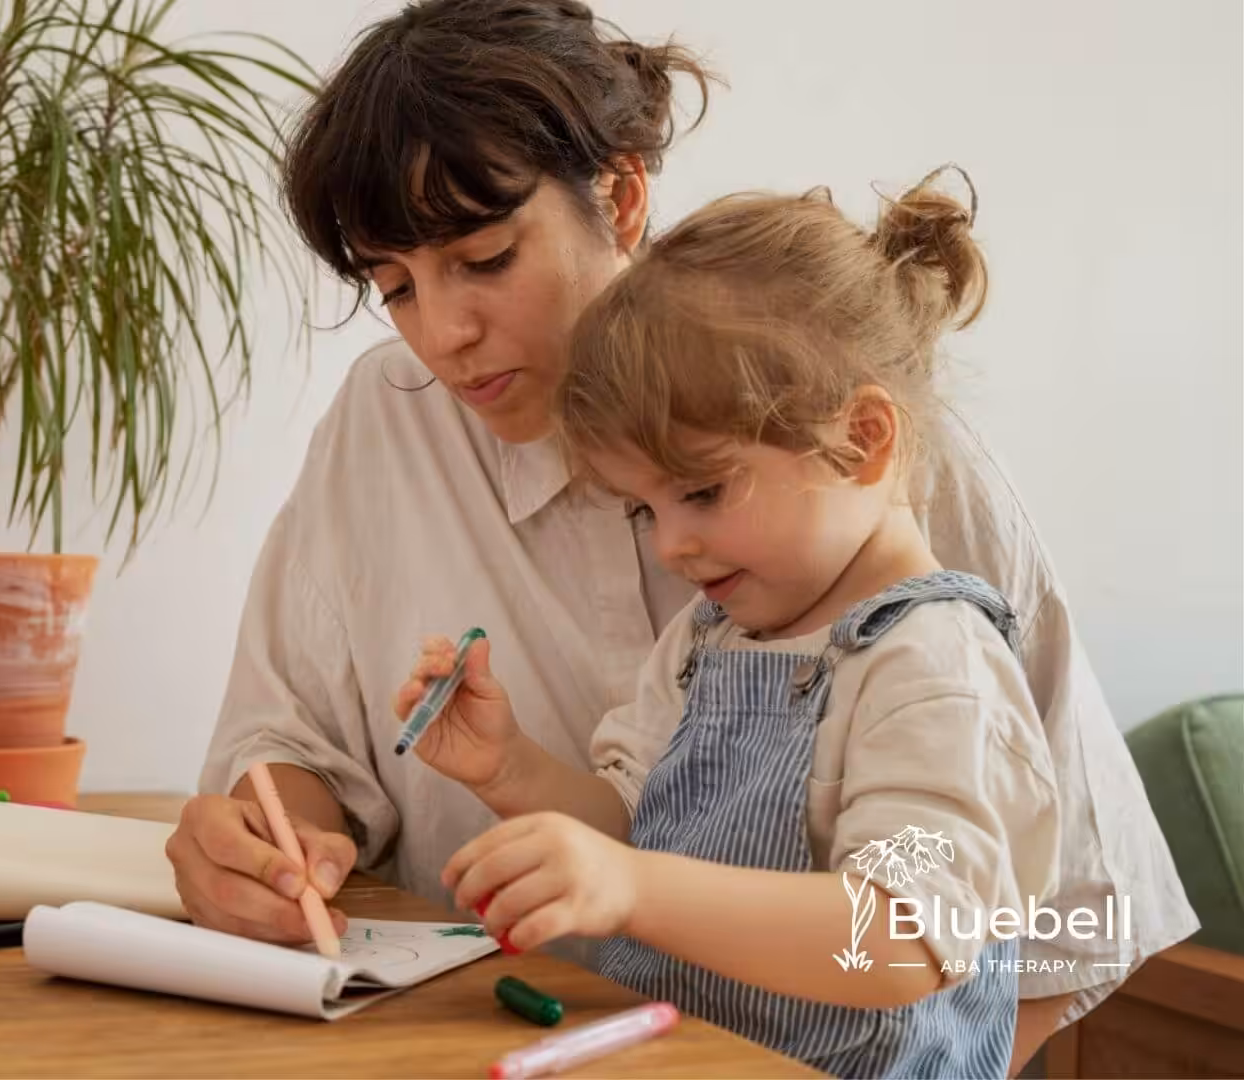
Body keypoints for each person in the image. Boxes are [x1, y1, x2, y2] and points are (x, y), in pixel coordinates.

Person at [173, 0, 1197, 1069]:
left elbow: (1035, 924)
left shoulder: (915, 590)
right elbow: (615, 817)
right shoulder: (703, 637)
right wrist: (501, 772)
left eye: (486, 258)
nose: (443, 334)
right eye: (394, 287)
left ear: (620, 196)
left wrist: (648, 901)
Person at [406, 169, 1058, 1077]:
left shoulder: (935, 665)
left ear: (863, 440)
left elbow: (901, 938)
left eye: (703, 492)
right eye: (646, 509)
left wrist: (633, 890)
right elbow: (631, 827)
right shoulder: (711, 638)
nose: (673, 544)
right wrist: (507, 766)